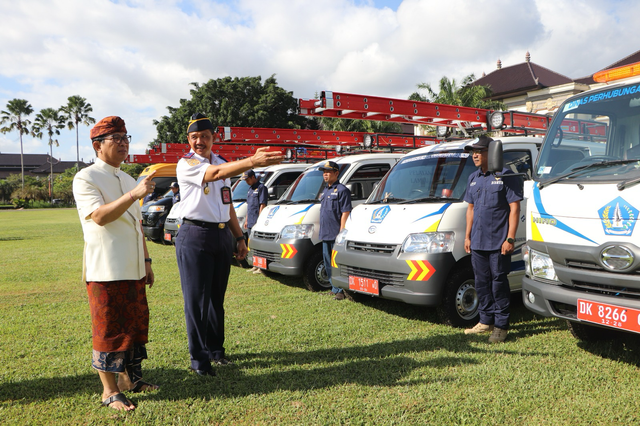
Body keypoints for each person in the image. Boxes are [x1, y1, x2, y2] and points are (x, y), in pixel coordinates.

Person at [174, 113, 283, 376]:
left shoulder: (222, 161)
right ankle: (199, 360)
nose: (200, 141)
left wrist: (238, 237)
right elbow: (217, 173)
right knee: (197, 301)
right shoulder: (186, 164)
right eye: (194, 137)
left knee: (215, 299)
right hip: (195, 235)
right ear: (188, 139)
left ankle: (216, 351)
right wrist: (252, 161)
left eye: (205, 136)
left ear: (214, 138)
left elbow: (227, 204)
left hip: (221, 235)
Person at [72, 116, 159, 411]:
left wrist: (146, 260)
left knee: (133, 326)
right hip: (106, 268)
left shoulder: (127, 177)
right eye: (116, 139)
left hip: (133, 265)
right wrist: (134, 194)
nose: (123, 143)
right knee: (108, 327)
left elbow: (136, 225)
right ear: (98, 146)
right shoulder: (87, 178)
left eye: (126, 138)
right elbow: (99, 216)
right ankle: (109, 391)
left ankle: (131, 380)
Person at [463, 135, 523, 343]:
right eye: (473, 152)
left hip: (498, 242)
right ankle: (485, 321)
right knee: (481, 283)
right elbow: (470, 209)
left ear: (493, 152)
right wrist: (467, 236)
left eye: (479, 151)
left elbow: (515, 208)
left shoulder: (506, 176)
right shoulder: (473, 178)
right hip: (478, 242)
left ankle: (501, 326)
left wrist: (510, 238)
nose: (475, 155)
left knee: (498, 283)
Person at [318, 160, 352, 300]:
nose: (325, 174)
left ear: (336, 173)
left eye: (328, 172)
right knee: (328, 263)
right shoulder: (325, 190)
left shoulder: (342, 190)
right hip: (325, 233)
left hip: (335, 234)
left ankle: (341, 291)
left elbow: (345, 212)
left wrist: (341, 232)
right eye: (324, 172)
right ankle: (334, 287)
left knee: (337, 263)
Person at [242, 169, 268, 274]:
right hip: (250, 221)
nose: (246, 182)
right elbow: (249, 206)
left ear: (253, 177)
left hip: (257, 221)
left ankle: (261, 267)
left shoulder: (262, 188)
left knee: (259, 245)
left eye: (247, 179)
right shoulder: (250, 189)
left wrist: (260, 220)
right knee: (251, 244)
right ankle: (254, 264)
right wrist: (246, 220)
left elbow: (262, 204)